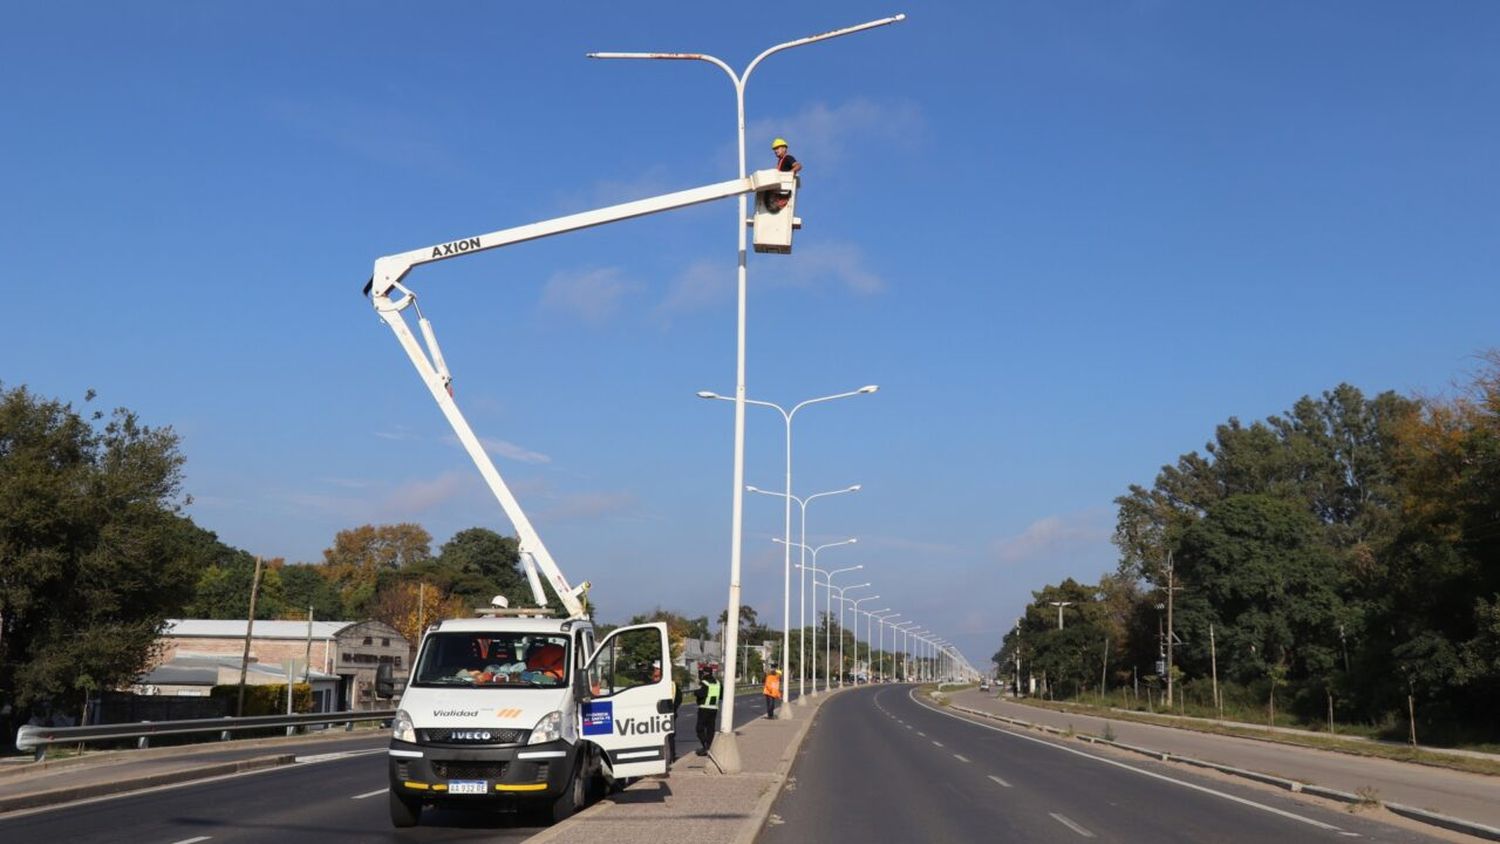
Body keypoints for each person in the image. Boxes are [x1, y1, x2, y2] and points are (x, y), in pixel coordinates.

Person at [692, 665, 721, 755]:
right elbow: (721, 695)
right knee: (710, 729)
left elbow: (702, 693)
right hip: (714, 709)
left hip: (704, 708)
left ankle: (705, 746)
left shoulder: (704, 682)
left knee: (699, 728)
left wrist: (695, 692)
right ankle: (709, 746)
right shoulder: (718, 683)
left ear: (704, 673)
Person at [768, 138, 801, 211]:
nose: (775, 151)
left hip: (785, 191)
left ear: (784, 148)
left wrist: (788, 174)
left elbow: (798, 166)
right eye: (774, 149)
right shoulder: (780, 161)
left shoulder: (788, 158)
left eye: (777, 148)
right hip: (780, 191)